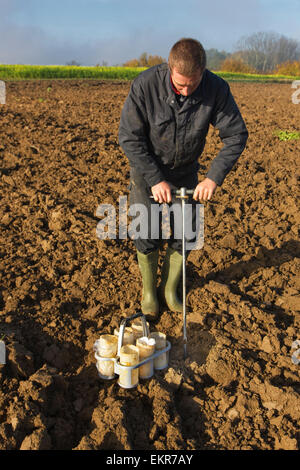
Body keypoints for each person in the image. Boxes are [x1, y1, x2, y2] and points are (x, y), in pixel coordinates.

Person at [118, 38, 248, 320]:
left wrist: (213, 178)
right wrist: (154, 179)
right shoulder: (145, 85)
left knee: (187, 232)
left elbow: (236, 135)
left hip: (186, 171)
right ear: (169, 68)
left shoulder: (216, 89)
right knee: (146, 230)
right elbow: (129, 137)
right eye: (180, 85)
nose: (186, 91)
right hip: (147, 171)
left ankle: (169, 289)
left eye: (193, 84)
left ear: (203, 71)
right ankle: (149, 292)